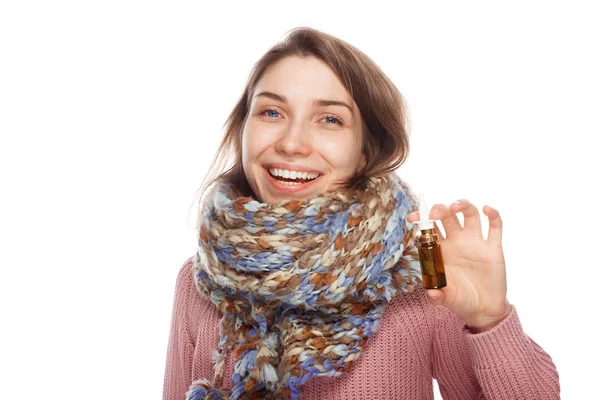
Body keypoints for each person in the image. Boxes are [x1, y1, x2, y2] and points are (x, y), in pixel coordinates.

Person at [163, 27, 560, 400]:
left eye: (330, 119)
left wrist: (490, 319)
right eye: (271, 112)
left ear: (366, 151)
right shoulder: (198, 281)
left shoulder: (425, 274)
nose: (292, 142)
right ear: (242, 129)